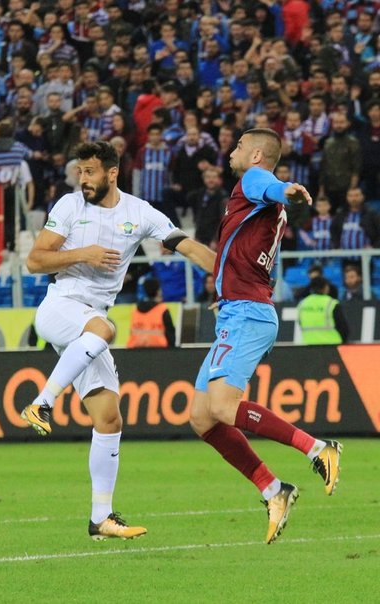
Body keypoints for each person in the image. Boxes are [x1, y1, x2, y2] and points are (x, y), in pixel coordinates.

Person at [20, 141, 216, 540]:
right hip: (60, 306)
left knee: (109, 418)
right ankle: (41, 403)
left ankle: (100, 519)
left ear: (112, 173)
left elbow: (185, 245)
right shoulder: (69, 206)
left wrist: (230, 275)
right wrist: (83, 254)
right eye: (79, 171)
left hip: (89, 323)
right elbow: (35, 261)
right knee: (105, 330)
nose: (83, 179)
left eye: (90, 171)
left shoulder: (139, 212)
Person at [188, 128, 343, 546]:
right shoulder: (256, 203)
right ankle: (274, 489)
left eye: (239, 146)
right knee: (202, 417)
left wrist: (286, 189)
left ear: (256, 154)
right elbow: (225, 257)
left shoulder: (253, 181)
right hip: (236, 311)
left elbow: (271, 185)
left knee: (223, 407)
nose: (232, 151)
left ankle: (318, 448)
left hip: (247, 313)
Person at [127, 277, 176, 348]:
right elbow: (170, 333)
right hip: (159, 350)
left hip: (136, 349)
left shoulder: (136, 310)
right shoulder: (162, 309)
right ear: (158, 291)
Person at [297, 276, 348, 344]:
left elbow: (300, 323)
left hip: (309, 345)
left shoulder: (302, 304)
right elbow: (344, 328)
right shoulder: (331, 304)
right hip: (332, 345)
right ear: (326, 287)